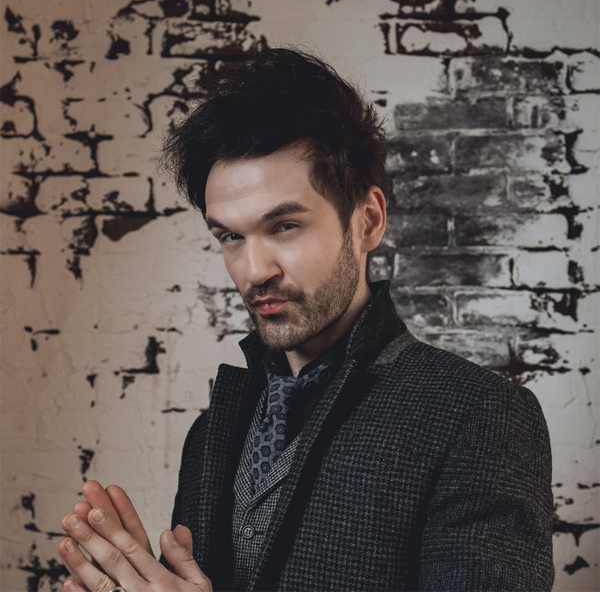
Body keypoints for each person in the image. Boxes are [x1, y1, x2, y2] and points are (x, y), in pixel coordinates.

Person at [58, 48, 554, 592]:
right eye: (230, 236)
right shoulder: (211, 433)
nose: (254, 270)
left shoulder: (478, 415)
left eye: (285, 226)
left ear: (367, 221)